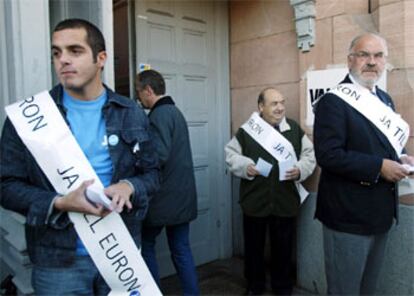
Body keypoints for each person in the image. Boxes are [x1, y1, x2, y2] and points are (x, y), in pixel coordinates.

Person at [0, 19, 159, 295]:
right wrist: (59, 202)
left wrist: (129, 186)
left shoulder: (131, 113)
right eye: (56, 53)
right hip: (58, 262)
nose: (63, 60)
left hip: (120, 253)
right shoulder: (27, 118)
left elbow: (152, 175)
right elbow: (5, 186)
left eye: (75, 51)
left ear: (101, 59)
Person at [313, 33, 414, 295]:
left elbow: (383, 144)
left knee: (368, 289)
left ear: (384, 62)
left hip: (381, 214)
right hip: (347, 216)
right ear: (350, 60)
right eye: (364, 55)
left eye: (378, 56)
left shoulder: (385, 99)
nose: (372, 62)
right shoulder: (332, 102)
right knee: (345, 290)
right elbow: (328, 155)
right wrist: (379, 166)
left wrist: (400, 156)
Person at [225, 88, 316, 295]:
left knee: (283, 250)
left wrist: (300, 169)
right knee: (254, 249)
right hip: (254, 201)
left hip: (285, 202)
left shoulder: (293, 129)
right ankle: (255, 286)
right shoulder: (248, 130)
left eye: (282, 102)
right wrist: (245, 166)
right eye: (274, 103)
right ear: (261, 107)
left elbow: (309, 156)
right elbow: (230, 155)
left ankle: (282, 287)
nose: (280, 107)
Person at [135, 69, 199, 295]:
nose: (138, 98)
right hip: (182, 196)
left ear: (149, 90)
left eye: (139, 92)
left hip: (163, 199)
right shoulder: (175, 112)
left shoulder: (159, 115)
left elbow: (158, 157)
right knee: (181, 249)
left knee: (146, 246)